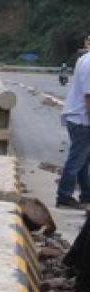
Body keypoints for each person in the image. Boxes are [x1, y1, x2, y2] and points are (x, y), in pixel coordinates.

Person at [57, 42, 90, 209]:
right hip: (82, 119)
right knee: (77, 160)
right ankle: (64, 196)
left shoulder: (84, 59)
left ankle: (86, 196)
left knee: (84, 161)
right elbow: (89, 96)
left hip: (76, 117)